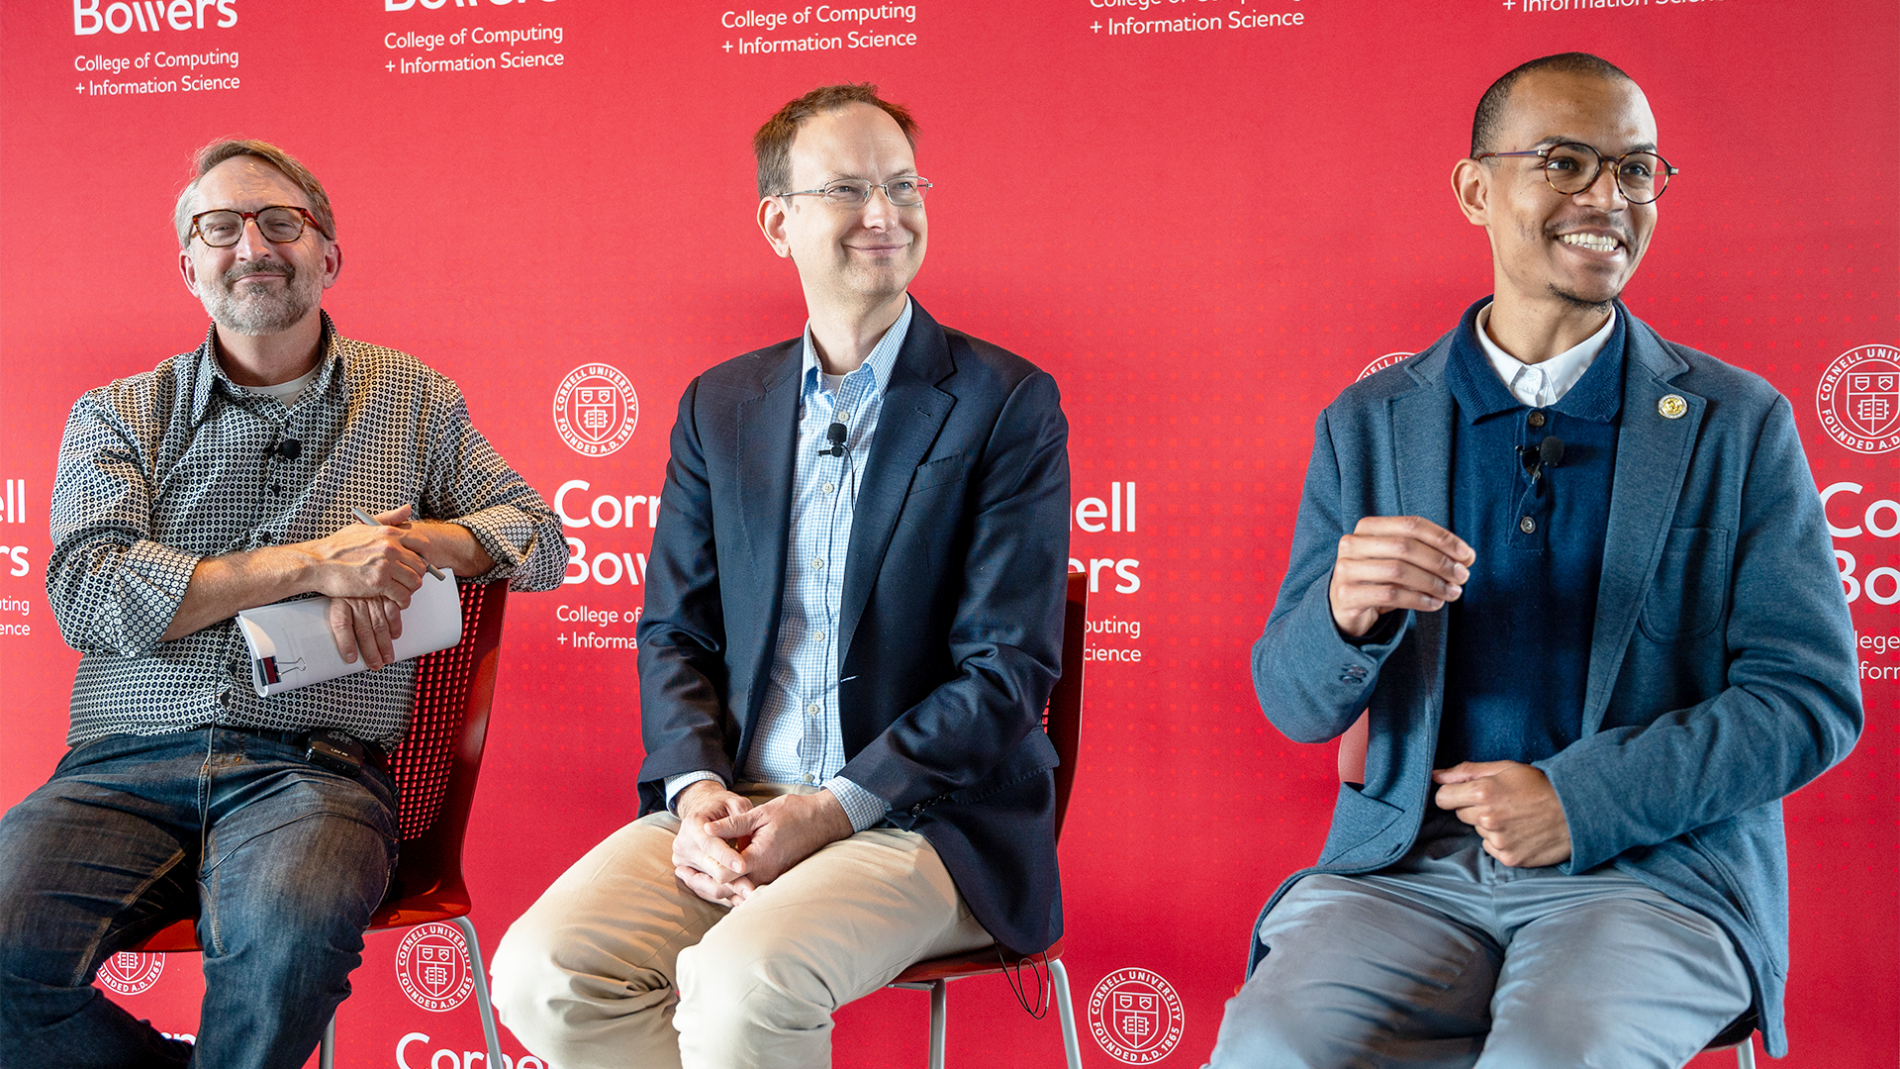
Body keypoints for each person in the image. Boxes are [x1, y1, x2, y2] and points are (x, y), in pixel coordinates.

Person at [1211, 53, 1860, 1068]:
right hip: (1403, 874)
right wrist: (1340, 614)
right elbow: (1293, 703)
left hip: (1657, 877)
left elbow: (1808, 701)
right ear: (1476, 189)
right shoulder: (1368, 426)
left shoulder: (1740, 424)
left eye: (1635, 171)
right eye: (1564, 163)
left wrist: (1578, 800)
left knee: (1555, 1049)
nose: (1607, 199)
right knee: (1269, 1043)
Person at [491, 83, 1071, 1068]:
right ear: (777, 221)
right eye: (847, 189)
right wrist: (696, 791)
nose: (884, 215)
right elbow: (675, 630)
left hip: (929, 816)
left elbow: (1006, 669)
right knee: (545, 969)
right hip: (743, 798)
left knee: (742, 982)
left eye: (902, 186)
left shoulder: (1003, 402)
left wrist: (833, 806)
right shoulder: (721, 405)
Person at [0, 139, 566, 1069]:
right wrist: (313, 564)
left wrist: (407, 547)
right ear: (189, 263)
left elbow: (542, 538)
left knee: (287, 938)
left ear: (329, 254)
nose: (251, 245)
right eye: (218, 228)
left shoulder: (413, 399)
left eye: (280, 222)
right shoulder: (118, 414)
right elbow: (89, 595)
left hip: (313, 773)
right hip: (120, 768)